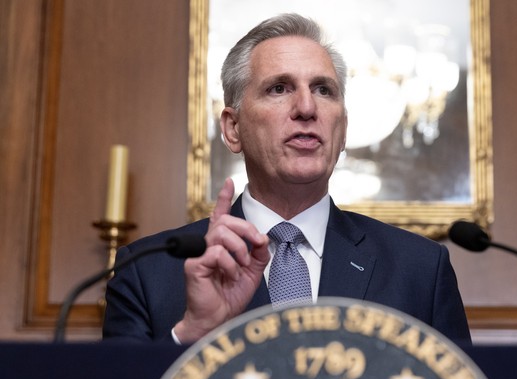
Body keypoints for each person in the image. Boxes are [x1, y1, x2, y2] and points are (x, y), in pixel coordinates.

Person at [103, 13, 471, 344]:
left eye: (323, 90)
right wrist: (191, 336)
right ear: (233, 129)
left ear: (342, 131)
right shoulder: (146, 272)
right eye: (279, 88)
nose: (307, 108)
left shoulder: (420, 269)